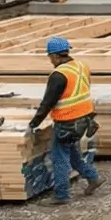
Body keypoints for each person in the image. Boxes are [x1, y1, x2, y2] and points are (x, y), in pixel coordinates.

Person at [24, 36, 103, 205]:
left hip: (67, 121)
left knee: (59, 158)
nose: (50, 61)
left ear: (55, 56)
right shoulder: (81, 67)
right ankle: (93, 178)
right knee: (73, 154)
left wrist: (33, 124)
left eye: (50, 57)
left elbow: (48, 102)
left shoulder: (59, 75)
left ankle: (61, 195)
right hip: (83, 119)